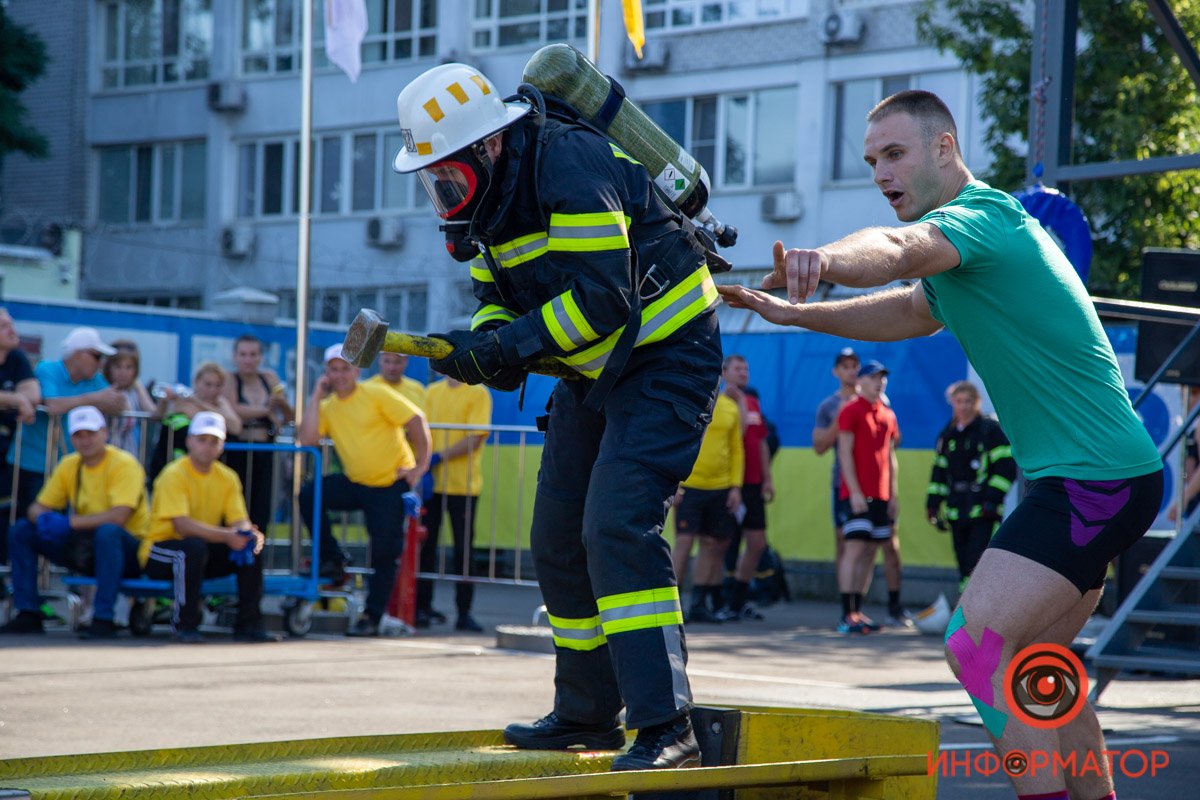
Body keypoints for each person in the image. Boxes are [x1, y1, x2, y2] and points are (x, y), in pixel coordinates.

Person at [719, 89, 1163, 800]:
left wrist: (822, 259)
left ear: (944, 149)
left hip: (1093, 480)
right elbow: (906, 309)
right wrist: (802, 314)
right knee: (1034, 660)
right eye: (871, 162)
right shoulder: (960, 259)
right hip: (1096, 477)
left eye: (894, 154)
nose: (881, 172)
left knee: (974, 645)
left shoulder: (978, 220)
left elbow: (893, 251)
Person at [392, 62, 722, 769]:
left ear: (489, 146)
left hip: (667, 359)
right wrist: (485, 345)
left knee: (615, 524)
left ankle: (669, 727)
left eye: (448, 174)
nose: (442, 193)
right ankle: (587, 713)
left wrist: (506, 347)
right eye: (432, 180)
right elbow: (496, 297)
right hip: (593, 371)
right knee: (557, 536)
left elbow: (602, 300)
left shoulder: (569, 164)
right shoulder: (482, 209)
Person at [296, 344, 431, 636]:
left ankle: (372, 616)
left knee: (384, 553)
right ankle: (333, 557)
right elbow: (307, 439)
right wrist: (317, 394)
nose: (340, 375)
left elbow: (416, 420)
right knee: (308, 493)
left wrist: (420, 467)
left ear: (357, 371)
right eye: (334, 369)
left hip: (389, 484)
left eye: (346, 368)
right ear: (326, 373)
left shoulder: (376, 393)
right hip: (356, 483)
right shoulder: (328, 405)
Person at [0, 406, 147, 638]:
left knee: (108, 533)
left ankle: (103, 617)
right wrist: (44, 519)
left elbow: (119, 516)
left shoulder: (124, 464)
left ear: (105, 433)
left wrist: (68, 523)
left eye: (91, 433)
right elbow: (36, 508)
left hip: (128, 549)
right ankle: (27, 611)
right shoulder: (69, 464)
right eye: (79, 435)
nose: (85, 440)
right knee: (22, 530)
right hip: (88, 543)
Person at [140, 411, 274, 644]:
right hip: (159, 551)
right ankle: (185, 625)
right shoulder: (174, 473)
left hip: (200, 548)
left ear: (222, 445)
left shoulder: (227, 477)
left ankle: (249, 624)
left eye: (214, 441)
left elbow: (238, 519)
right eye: (202, 440)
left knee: (249, 546)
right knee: (191, 548)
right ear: (190, 441)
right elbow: (181, 526)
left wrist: (248, 534)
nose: (207, 446)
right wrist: (228, 535)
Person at [416, 371, 491, 633]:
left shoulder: (478, 392)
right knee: (425, 548)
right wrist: (425, 462)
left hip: (463, 486)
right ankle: (422, 607)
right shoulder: (431, 392)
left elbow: (476, 437)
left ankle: (464, 612)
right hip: (432, 485)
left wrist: (437, 457)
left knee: (464, 552)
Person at [927, 380, 1016, 591]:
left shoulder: (990, 430)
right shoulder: (947, 435)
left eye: (968, 401)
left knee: (979, 562)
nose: (963, 406)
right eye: (958, 401)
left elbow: (1005, 468)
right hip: (956, 509)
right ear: (952, 403)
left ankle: (978, 614)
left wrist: (992, 500)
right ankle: (967, 615)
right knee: (963, 564)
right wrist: (933, 504)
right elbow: (939, 471)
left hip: (983, 510)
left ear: (977, 402)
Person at [834, 360, 900, 634]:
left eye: (882, 377)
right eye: (874, 377)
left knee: (872, 551)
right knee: (855, 549)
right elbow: (844, 453)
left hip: (882, 495)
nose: (879, 381)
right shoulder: (850, 410)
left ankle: (858, 612)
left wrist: (893, 494)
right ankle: (846, 614)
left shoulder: (888, 414)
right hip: (856, 496)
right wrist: (856, 492)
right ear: (860, 381)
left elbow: (890, 456)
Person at [672, 387, 742, 625]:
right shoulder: (686, 398)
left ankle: (699, 605)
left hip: (720, 487)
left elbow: (736, 449)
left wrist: (735, 486)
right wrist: (673, 481)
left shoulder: (730, 407)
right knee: (684, 542)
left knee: (711, 543)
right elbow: (671, 442)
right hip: (689, 486)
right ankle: (673, 603)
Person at [719, 354, 773, 621]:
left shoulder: (752, 402)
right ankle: (713, 601)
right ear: (724, 372)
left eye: (746, 368)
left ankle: (738, 601)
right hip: (728, 483)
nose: (743, 373)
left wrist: (768, 478)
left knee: (757, 543)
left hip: (752, 484)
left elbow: (761, 442)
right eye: (738, 368)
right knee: (719, 543)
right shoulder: (718, 403)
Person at [222, 335, 293, 535]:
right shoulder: (230, 379)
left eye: (253, 354)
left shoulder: (269, 378)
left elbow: (289, 417)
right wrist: (266, 411)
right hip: (237, 453)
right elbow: (233, 409)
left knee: (262, 509)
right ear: (235, 357)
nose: (248, 360)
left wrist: (280, 404)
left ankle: (256, 558)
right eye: (243, 354)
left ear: (261, 357)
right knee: (236, 509)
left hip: (266, 452)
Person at [0, 309, 40, 598]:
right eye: (3, 326)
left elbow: (34, 395)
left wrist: (20, 399)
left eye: (12, 325)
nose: (12, 331)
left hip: (7, 456)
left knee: (7, 516)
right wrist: (14, 399)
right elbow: (23, 397)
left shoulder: (16, 359)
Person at [148, 362, 243, 482]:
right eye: (208, 384)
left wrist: (198, 403)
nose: (213, 390)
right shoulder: (182, 400)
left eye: (218, 385)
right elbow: (158, 417)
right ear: (197, 382)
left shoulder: (221, 402)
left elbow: (236, 426)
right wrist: (164, 401)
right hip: (173, 462)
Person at [103, 345, 155, 461]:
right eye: (118, 367)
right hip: (106, 454)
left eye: (129, 367)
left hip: (129, 453)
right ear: (108, 368)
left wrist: (138, 385)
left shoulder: (134, 391)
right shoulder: (103, 390)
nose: (123, 372)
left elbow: (153, 413)